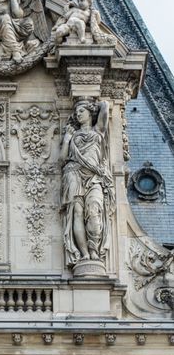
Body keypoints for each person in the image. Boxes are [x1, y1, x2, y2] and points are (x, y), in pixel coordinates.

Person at [60, 100, 115, 267]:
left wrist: (101, 101)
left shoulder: (97, 131)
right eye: (76, 112)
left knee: (94, 211)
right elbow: (62, 159)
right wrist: (67, 139)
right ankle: (84, 253)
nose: (78, 114)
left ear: (90, 113)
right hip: (73, 173)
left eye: (81, 111)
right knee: (77, 212)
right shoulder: (73, 135)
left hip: (94, 177)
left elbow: (105, 110)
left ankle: (94, 250)